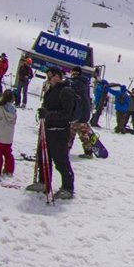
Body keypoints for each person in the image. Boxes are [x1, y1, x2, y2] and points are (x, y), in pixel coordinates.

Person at [37, 67, 76, 199]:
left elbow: (67, 114)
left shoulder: (66, 91)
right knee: (43, 156)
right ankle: (44, 182)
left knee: (60, 160)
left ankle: (68, 187)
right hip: (48, 129)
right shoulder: (52, 90)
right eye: (47, 77)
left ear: (58, 77)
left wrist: (48, 114)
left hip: (59, 131)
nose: (48, 79)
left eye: (50, 76)